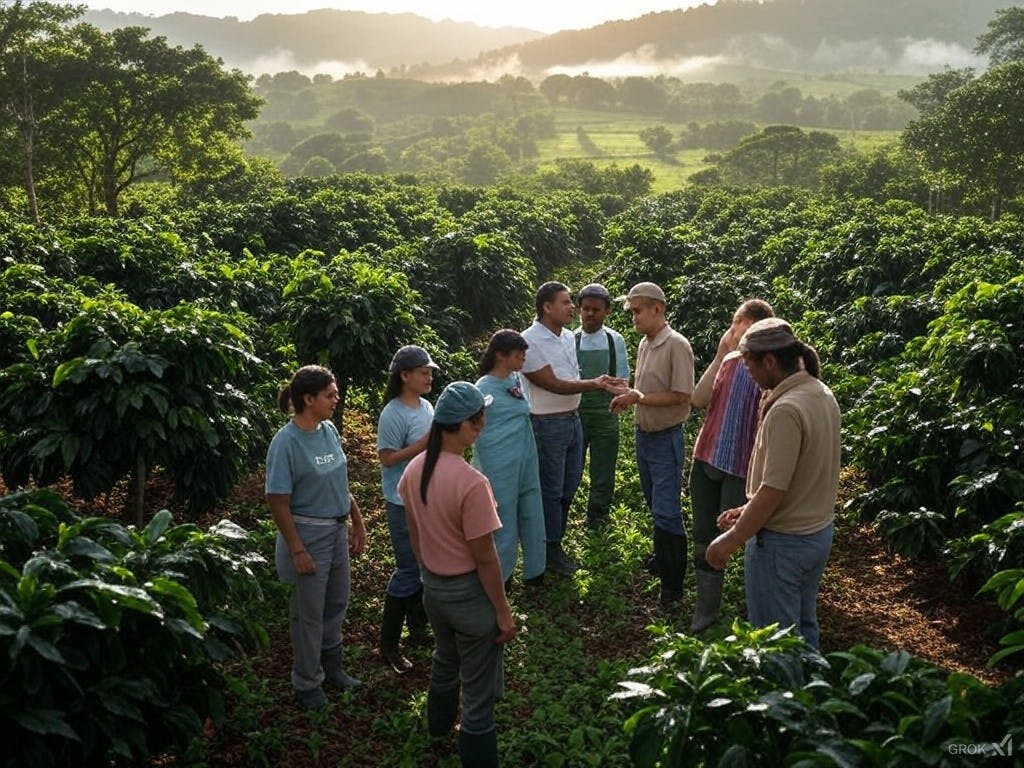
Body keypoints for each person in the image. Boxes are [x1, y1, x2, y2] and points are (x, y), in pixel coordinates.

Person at [398, 381, 517, 768]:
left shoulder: (415, 469)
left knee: (445, 662)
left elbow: (414, 531)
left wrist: (428, 570)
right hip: (468, 596)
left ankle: (436, 733)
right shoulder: (472, 483)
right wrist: (502, 611)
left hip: (433, 589)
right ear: (467, 425)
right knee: (478, 694)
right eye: (478, 420)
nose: (481, 426)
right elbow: (485, 558)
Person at [705, 317, 840, 650]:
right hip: (815, 535)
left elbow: (774, 490)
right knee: (804, 631)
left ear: (769, 361)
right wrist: (748, 509)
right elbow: (797, 476)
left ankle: (784, 698)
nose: (747, 374)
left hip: (783, 545)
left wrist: (729, 541)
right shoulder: (819, 392)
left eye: (750, 366)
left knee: (776, 644)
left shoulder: (786, 410)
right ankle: (812, 696)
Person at [265, 365, 367, 711]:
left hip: (336, 531)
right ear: (308, 399)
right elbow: (277, 499)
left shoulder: (328, 431)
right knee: (308, 613)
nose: (336, 400)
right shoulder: (286, 442)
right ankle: (307, 683)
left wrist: (357, 521)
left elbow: (339, 480)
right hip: (308, 534)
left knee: (336, 602)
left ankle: (332, 668)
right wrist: (297, 549)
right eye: (330, 395)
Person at [521, 281, 625, 576]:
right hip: (546, 424)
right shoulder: (529, 341)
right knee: (551, 490)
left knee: (569, 486)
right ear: (547, 307)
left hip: (572, 419)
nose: (573, 309)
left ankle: (555, 541)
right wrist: (595, 383)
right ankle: (548, 548)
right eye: (567, 303)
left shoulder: (566, 337)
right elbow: (551, 383)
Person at [688, 299, 775, 633]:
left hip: (741, 466)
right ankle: (706, 611)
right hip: (707, 456)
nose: (736, 331)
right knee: (702, 535)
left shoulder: (768, 368)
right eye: (737, 324)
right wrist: (722, 350)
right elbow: (698, 399)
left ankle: (755, 608)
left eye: (740, 325)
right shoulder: (728, 361)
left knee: (736, 536)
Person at [610, 282, 694, 606]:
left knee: (667, 510)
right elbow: (645, 390)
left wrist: (639, 397)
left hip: (665, 437)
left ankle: (672, 587)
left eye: (637, 311)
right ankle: (662, 558)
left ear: (657, 309)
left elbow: (682, 395)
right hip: (644, 435)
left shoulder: (676, 345)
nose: (633, 317)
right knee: (652, 500)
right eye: (632, 312)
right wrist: (626, 392)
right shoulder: (646, 344)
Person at [376, 344, 438, 674]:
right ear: (404, 376)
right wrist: (419, 447)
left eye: (430, 372)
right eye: (423, 372)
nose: (429, 377)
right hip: (402, 502)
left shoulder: (426, 406)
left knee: (424, 562)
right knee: (408, 568)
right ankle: (388, 644)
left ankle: (417, 627)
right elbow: (386, 458)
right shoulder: (393, 413)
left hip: (424, 497)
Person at [474, 330, 546, 588]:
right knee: (503, 516)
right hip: (499, 461)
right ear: (500, 356)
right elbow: (476, 430)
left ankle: (535, 571)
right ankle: (500, 578)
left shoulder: (514, 379)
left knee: (531, 509)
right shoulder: (482, 388)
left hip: (525, 455)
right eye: (518, 355)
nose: (523, 359)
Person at [574, 283, 631, 528]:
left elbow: (623, 378)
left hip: (606, 413)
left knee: (603, 469)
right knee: (572, 468)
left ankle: (598, 516)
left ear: (606, 311)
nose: (590, 314)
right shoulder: (571, 339)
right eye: (585, 308)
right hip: (575, 413)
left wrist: (616, 392)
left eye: (596, 309)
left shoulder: (614, 339)